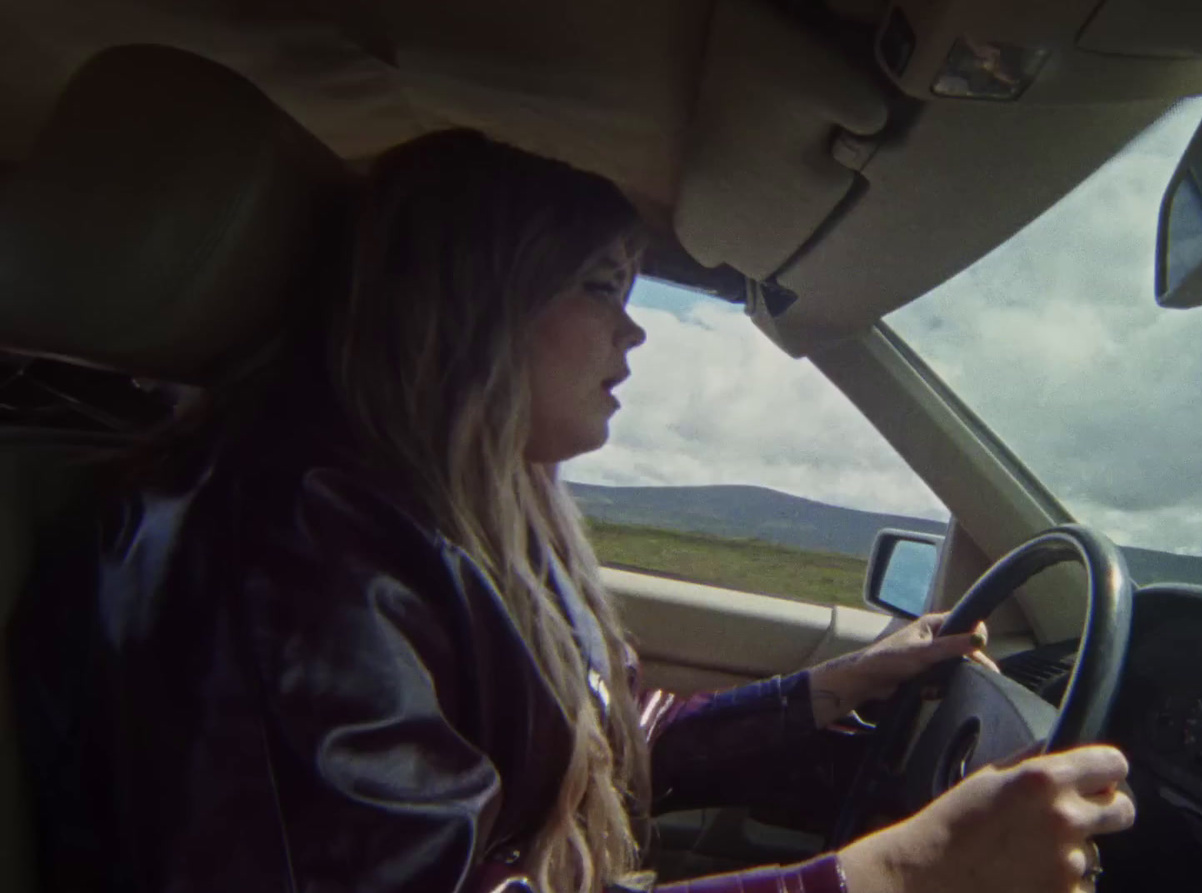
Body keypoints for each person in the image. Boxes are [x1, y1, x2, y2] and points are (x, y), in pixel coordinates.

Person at [9, 130, 1135, 893]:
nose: (634, 335)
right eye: (602, 286)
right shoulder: (290, 559)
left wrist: (826, 690)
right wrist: (896, 871)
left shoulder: (453, 514)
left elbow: (602, 735)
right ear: (475, 300)